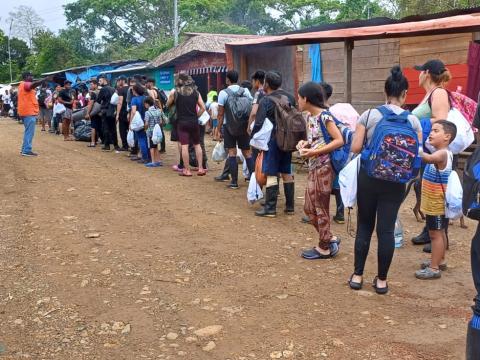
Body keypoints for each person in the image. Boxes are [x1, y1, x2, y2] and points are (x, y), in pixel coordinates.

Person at [348, 66, 422, 294]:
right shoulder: (414, 121)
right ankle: (381, 281)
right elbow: (416, 156)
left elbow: (356, 147)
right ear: (405, 94)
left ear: (385, 91)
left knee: (364, 225)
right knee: (386, 230)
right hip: (396, 182)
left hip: (369, 176)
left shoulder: (369, 115)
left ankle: (358, 276)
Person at [296, 82, 344, 259]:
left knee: (320, 206)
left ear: (306, 99)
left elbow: (339, 140)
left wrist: (314, 151)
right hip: (313, 166)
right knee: (309, 208)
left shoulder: (325, 116)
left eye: (299, 98)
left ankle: (324, 246)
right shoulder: (309, 117)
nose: (298, 101)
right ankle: (330, 238)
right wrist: (305, 144)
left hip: (324, 167)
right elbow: (315, 138)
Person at [411, 59, 452, 252]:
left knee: (436, 194)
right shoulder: (429, 94)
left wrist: (418, 124)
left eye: (420, 71)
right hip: (427, 150)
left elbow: (441, 121)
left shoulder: (439, 93)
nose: (418, 74)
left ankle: (439, 236)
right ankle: (429, 230)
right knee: (424, 189)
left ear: (427, 73)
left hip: (435, 153)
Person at [251, 70, 296, 217]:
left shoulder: (266, 100)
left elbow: (258, 123)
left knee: (271, 172)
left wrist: (253, 135)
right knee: (286, 171)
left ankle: (270, 208)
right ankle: (290, 206)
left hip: (272, 140)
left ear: (267, 84)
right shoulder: (290, 97)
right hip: (288, 139)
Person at [415, 120, 456, 280]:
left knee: (435, 235)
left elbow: (427, 158)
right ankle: (440, 260)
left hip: (437, 203)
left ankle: (434, 268)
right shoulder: (444, 152)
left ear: (447, 136)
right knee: (440, 232)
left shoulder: (442, 153)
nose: (431, 133)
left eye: (436, 131)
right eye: (431, 130)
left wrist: (416, 145)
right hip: (437, 203)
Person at [216, 70, 254, 189]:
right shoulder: (246, 91)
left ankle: (234, 182)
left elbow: (220, 114)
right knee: (247, 152)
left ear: (227, 79)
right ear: (237, 79)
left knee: (232, 152)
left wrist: (218, 128)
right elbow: (252, 108)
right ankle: (254, 181)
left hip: (229, 127)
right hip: (244, 126)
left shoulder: (223, 93)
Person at [167, 74, 207, 177]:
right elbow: (203, 107)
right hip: (194, 122)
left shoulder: (175, 93)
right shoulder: (195, 92)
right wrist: (196, 116)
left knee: (184, 146)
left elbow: (167, 104)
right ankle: (201, 169)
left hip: (182, 123)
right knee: (197, 145)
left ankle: (187, 170)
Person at [18, 71, 45, 156]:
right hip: (28, 112)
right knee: (29, 132)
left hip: (25, 111)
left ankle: (24, 149)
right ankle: (26, 150)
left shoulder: (22, 85)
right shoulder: (25, 84)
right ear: (26, 77)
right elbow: (32, 85)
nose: (32, 77)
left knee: (28, 131)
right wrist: (43, 80)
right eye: (31, 76)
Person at [96, 75, 118, 151]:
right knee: (113, 128)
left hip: (105, 110)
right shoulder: (113, 89)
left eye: (100, 81)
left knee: (105, 128)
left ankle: (107, 145)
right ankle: (116, 145)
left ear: (105, 80)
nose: (99, 82)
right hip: (112, 110)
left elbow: (98, 100)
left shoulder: (103, 89)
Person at [130, 84, 149, 163]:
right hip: (147, 121)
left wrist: (131, 122)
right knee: (146, 139)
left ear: (135, 90)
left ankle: (144, 157)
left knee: (141, 139)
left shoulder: (134, 99)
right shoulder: (146, 98)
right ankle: (146, 156)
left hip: (139, 122)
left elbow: (133, 112)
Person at [143, 96, 163, 167]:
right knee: (156, 146)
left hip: (150, 131)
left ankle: (153, 161)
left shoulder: (147, 112)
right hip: (157, 131)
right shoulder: (158, 111)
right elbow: (161, 122)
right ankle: (159, 160)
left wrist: (145, 128)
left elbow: (146, 123)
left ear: (147, 104)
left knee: (151, 147)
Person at [85, 79, 101, 147]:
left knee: (93, 127)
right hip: (100, 111)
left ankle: (93, 142)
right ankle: (100, 140)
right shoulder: (101, 91)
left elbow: (91, 104)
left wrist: (87, 113)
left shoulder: (93, 93)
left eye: (91, 84)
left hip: (94, 112)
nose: (90, 86)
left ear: (95, 85)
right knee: (99, 126)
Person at [115, 75, 129, 151]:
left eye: (119, 80)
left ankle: (125, 146)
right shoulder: (131, 89)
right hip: (130, 112)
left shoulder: (121, 90)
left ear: (123, 81)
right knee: (130, 129)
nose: (118, 82)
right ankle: (133, 146)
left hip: (123, 113)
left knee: (122, 130)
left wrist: (117, 114)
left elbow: (120, 103)